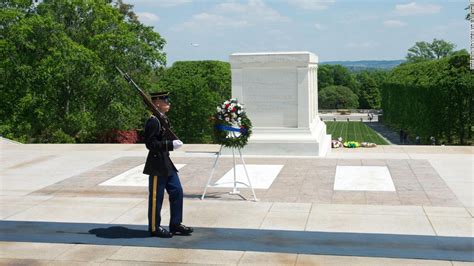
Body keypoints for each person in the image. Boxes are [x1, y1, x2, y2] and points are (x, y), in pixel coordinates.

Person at [143, 91, 193, 238]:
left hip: (166, 163)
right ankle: (154, 227)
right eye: (165, 99)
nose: (168, 102)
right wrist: (170, 144)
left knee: (177, 191)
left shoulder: (162, 118)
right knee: (156, 198)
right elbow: (150, 144)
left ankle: (175, 224)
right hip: (157, 164)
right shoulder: (153, 121)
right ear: (157, 102)